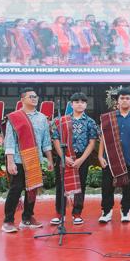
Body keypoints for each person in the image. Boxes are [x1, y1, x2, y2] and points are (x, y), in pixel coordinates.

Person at [1, 88, 54, 233]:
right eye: (31, 96)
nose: (35, 98)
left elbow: (46, 141)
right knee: (16, 190)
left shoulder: (42, 118)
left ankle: (27, 218)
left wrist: (49, 160)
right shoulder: (14, 117)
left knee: (32, 189)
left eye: (36, 96)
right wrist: (10, 161)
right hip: (18, 159)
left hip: (35, 159)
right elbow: (10, 141)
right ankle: (8, 221)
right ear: (22, 99)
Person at [50, 92, 99, 226]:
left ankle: (77, 213)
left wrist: (81, 159)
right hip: (64, 156)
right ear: (71, 104)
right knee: (61, 185)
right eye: (76, 102)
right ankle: (60, 214)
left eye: (82, 102)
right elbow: (56, 139)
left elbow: (92, 142)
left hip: (81, 157)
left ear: (86, 105)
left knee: (80, 185)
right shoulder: (62, 120)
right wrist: (63, 157)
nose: (79, 104)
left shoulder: (90, 122)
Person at [97, 88, 130, 224]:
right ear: (117, 101)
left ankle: (125, 211)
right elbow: (103, 138)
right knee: (107, 187)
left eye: (127, 98)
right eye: (122, 98)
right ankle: (106, 212)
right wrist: (100, 156)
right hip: (110, 159)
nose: (124, 100)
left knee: (129, 187)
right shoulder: (108, 118)